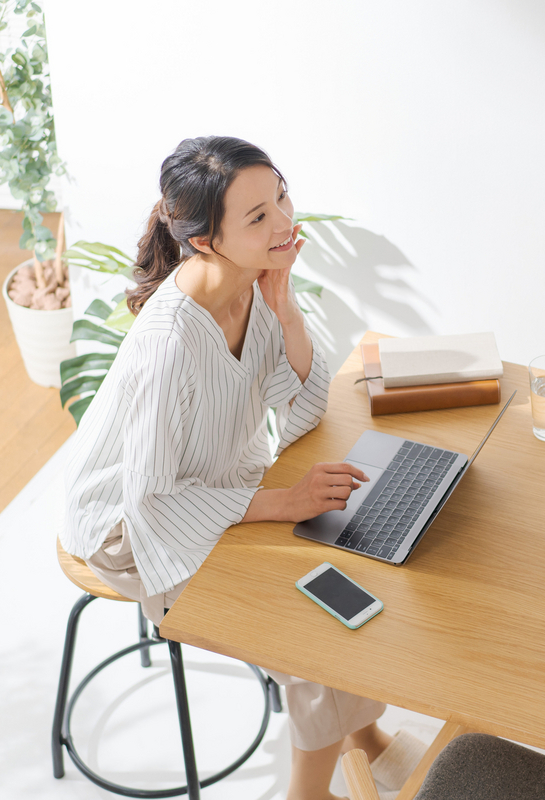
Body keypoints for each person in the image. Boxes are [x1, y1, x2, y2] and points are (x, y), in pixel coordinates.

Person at [61, 136, 415, 800]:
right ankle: (309, 795)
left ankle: (366, 740)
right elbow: (154, 499)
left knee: (352, 571)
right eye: (257, 217)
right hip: (133, 527)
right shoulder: (169, 346)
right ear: (203, 242)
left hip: (222, 484)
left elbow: (306, 410)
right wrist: (283, 502)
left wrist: (284, 309)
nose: (284, 221)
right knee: (313, 637)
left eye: (280, 195)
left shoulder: (256, 286)